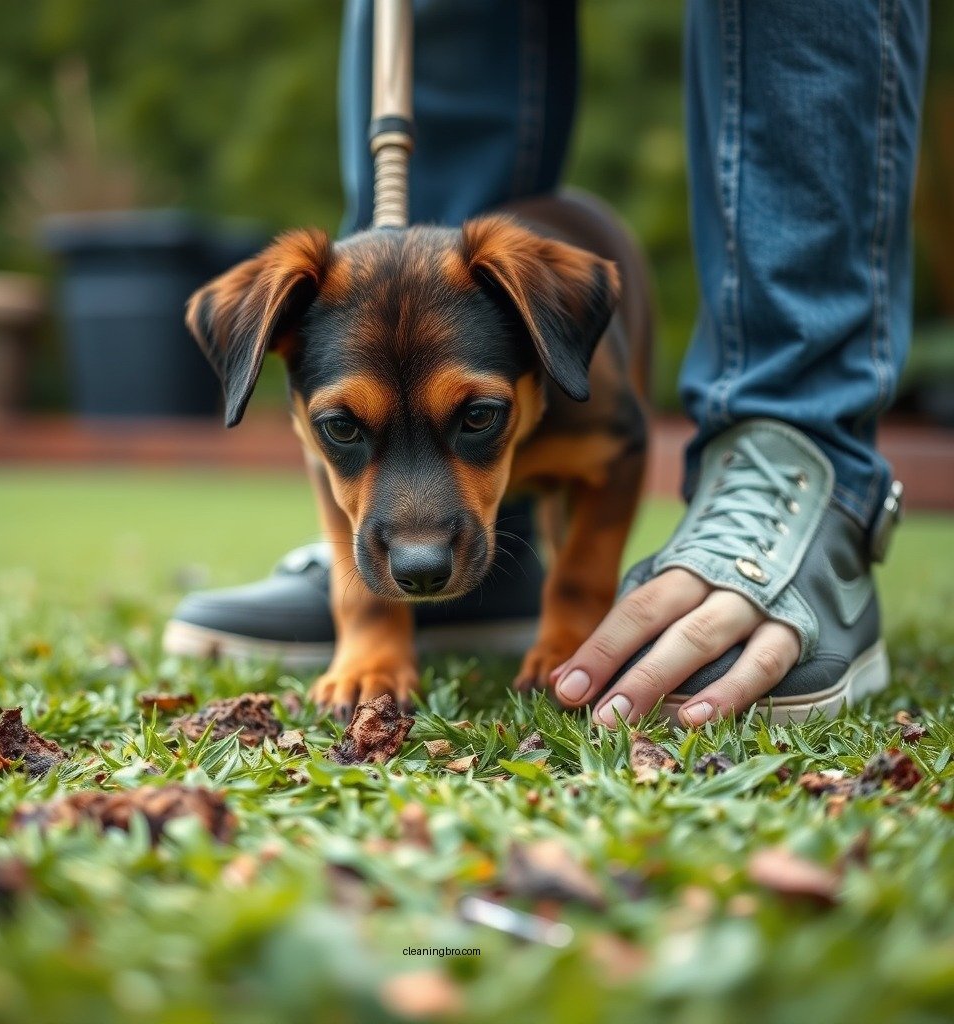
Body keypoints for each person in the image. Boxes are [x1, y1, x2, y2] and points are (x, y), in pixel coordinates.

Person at [164, 0, 928, 726]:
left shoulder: (576, 397)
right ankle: (479, 589)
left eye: (476, 415)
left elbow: (618, 455)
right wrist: (367, 621)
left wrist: (577, 603)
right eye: (344, 428)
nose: (418, 539)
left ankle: (797, 446)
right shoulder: (311, 321)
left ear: (546, 343)